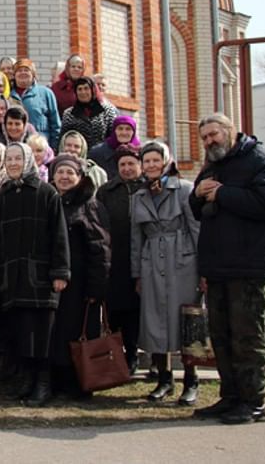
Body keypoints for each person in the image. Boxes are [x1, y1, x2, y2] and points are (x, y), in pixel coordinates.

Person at [189, 113, 265, 425]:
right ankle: (230, 397)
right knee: (222, 336)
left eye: (213, 135)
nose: (209, 142)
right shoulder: (213, 164)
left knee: (246, 336)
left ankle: (254, 401)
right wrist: (198, 194)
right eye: (204, 138)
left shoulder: (258, 159)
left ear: (230, 131)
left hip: (248, 265)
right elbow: (198, 210)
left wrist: (222, 194)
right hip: (218, 265)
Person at [0, 142, 69, 407]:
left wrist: (60, 272)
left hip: (40, 277)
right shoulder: (5, 195)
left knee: (41, 333)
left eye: (18, 158)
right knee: (20, 332)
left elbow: (59, 235)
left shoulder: (46, 193)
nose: (13, 163)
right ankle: (26, 381)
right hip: (12, 277)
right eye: (9, 159)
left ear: (29, 160)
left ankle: (43, 384)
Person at [131, 140, 202, 404]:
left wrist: (202, 268)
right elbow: (136, 239)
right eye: (146, 161)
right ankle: (164, 379)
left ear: (165, 161)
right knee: (154, 321)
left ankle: (191, 380)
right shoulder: (138, 196)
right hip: (152, 262)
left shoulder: (183, 190)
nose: (150, 165)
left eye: (155, 160)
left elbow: (196, 228)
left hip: (182, 260)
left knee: (185, 321)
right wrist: (137, 272)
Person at [47, 154, 110, 399]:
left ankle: (81, 383)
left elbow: (100, 247)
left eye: (69, 173)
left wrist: (97, 287)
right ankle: (58, 381)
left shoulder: (89, 204)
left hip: (82, 282)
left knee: (81, 332)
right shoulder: (50, 201)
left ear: (79, 177)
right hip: (55, 280)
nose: (64, 177)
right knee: (58, 333)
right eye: (60, 172)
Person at [95, 146, 144, 374]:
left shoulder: (147, 188)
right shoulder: (106, 191)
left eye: (131, 164)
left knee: (136, 311)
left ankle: (134, 353)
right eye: (122, 164)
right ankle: (116, 353)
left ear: (139, 165)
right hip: (114, 259)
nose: (126, 168)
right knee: (115, 310)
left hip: (142, 258)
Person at [58, 76, 118, 150]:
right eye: (80, 89)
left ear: (93, 90)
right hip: (76, 155)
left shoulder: (107, 110)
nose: (83, 92)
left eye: (86, 88)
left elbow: (114, 135)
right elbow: (63, 138)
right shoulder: (69, 114)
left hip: (101, 156)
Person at [12, 58, 61, 150]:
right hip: (15, 149)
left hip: (40, 148)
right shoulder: (8, 95)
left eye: (26, 70)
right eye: (19, 70)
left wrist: (53, 148)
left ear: (33, 74)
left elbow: (55, 125)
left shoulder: (46, 93)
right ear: (14, 75)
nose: (23, 73)